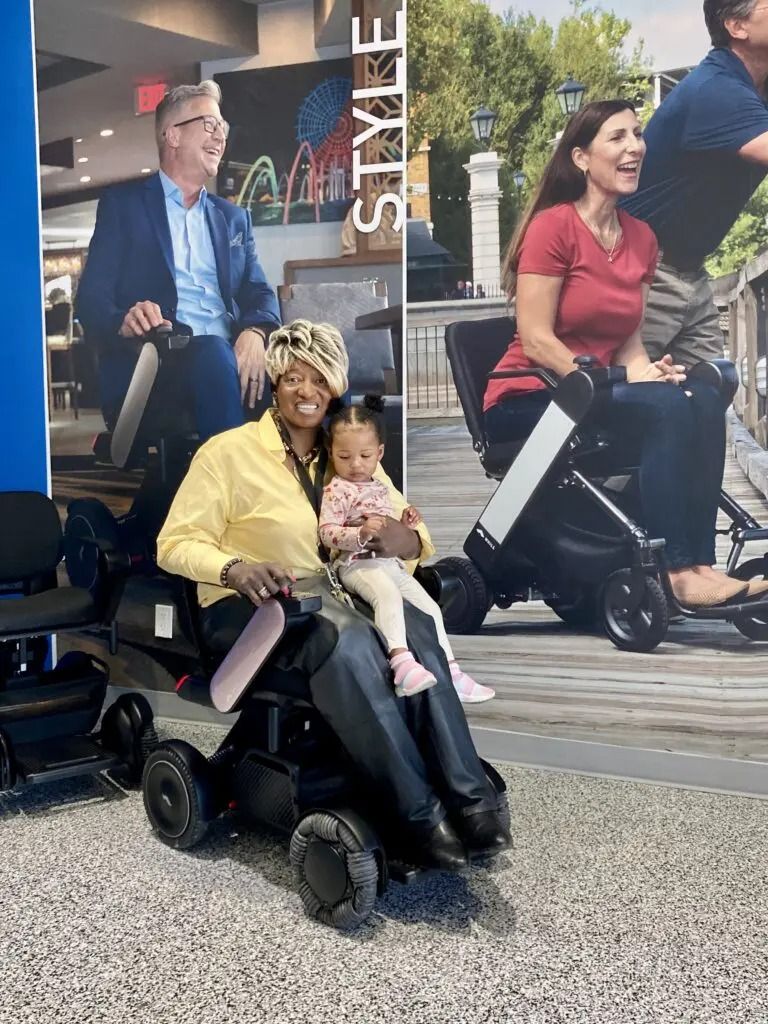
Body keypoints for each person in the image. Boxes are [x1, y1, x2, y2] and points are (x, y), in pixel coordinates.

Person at [156, 319, 510, 872]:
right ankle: (417, 814)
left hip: (336, 592)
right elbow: (173, 544)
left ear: (334, 386)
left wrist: (406, 539)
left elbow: (411, 536)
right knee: (344, 640)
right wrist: (233, 567)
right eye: (294, 377)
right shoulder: (226, 455)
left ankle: (470, 801)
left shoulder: (348, 450)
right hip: (250, 609)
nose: (306, 391)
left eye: (319, 379)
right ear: (275, 383)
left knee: (414, 629)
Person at [486, 99, 768, 610]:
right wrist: (608, 383)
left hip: (596, 387)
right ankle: (678, 570)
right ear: (580, 158)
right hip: (531, 395)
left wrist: (646, 374)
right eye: (617, 137)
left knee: (700, 397)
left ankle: (701, 564)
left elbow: (630, 344)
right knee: (665, 408)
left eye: (637, 134)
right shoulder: (554, 228)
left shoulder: (641, 239)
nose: (635, 146)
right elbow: (536, 339)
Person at [76, 80, 280, 440]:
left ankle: (335, 494)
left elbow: (261, 293)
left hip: (233, 352)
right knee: (215, 355)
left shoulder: (232, 217)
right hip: (159, 362)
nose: (220, 136)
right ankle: (232, 491)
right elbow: (90, 300)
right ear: (172, 136)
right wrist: (124, 320)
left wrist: (255, 332)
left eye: (223, 128)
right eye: (209, 124)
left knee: (318, 365)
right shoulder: (124, 206)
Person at [318, 395, 495, 704]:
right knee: (386, 597)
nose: (356, 464)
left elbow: (390, 527)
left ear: (380, 453)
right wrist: (358, 533)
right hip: (355, 564)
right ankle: (401, 662)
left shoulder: (379, 486)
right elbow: (327, 532)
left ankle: (452, 671)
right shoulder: (337, 489)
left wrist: (405, 522)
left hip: (388, 564)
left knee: (429, 608)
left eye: (365, 455)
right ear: (331, 453)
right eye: (344, 457)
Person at [622, 0, 768, 368]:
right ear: (737, 26)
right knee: (620, 403)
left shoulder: (754, 84)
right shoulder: (717, 90)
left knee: (710, 395)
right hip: (642, 276)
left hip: (688, 271)